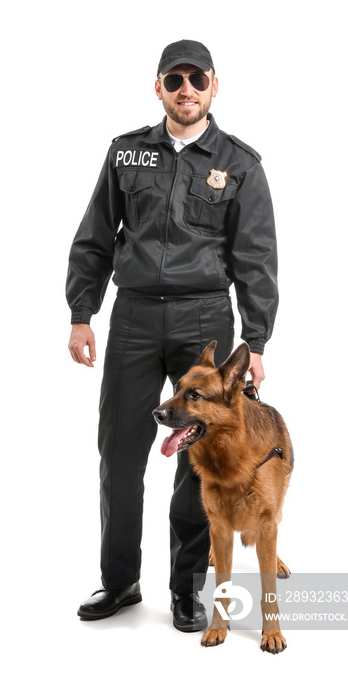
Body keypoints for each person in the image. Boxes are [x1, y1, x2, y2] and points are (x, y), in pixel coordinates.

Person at [66, 39, 278, 631]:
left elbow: (255, 256)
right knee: (120, 449)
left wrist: (255, 341)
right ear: (157, 87)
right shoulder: (126, 154)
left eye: (197, 79)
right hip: (133, 317)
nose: (186, 89)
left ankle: (187, 589)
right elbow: (95, 237)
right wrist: (83, 312)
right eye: (174, 78)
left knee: (200, 459)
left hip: (204, 321)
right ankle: (119, 581)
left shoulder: (240, 164)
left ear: (214, 87)